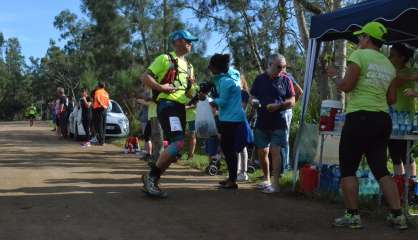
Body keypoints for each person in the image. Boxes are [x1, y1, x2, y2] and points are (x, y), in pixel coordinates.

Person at [327, 22, 407, 230]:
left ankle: (353, 216)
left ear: (367, 39)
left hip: (360, 117)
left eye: (360, 37)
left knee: (348, 167)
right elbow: (391, 98)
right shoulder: (390, 65)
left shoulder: (359, 56)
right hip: (382, 119)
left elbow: (346, 86)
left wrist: (335, 75)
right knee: (381, 168)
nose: (358, 41)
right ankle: (398, 216)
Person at [141, 30, 198, 197]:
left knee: (177, 147)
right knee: (178, 143)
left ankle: (151, 178)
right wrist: (161, 87)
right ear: (178, 41)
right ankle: (151, 178)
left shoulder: (189, 66)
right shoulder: (165, 59)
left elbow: (189, 93)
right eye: (188, 41)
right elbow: (145, 77)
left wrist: (198, 93)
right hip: (167, 105)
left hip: (180, 108)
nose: (191, 44)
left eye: (191, 41)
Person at [250, 54, 295, 194]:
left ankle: (275, 184)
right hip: (262, 121)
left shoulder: (286, 79)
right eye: (279, 66)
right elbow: (252, 96)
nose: (282, 69)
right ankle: (266, 179)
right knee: (262, 152)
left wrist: (279, 106)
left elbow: (292, 101)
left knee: (275, 151)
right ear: (270, 65)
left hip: (279, 121)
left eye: (284, 67)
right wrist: (254, 103)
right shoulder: (259, 79)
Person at [207, 53, 247, 189]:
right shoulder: (234, 74)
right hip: (235, 118)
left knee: (228, 150)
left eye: (211, 67)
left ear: (218, 68)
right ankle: (231, 177)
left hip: (230, 119)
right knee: (228, 149)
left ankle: (232, 180)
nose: (210, 69)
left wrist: (209, 101)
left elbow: (222, 102)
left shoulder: (225, 82)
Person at [387, 43, 417, 181]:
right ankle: (399, 182)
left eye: (392, 55)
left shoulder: (408, 71)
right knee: (394, 151)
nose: (389, 57)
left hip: (404, 118)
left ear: (402, 58)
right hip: (391, 116)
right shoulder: (391, 69)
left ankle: (411, 183)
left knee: (405, 152)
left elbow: (395, 83)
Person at [281, 64, 303, 171]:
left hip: (285, 111)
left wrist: (291, 103)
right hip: (282, 111)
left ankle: (285, 165)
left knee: (284, 138)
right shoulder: (284, 76)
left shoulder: (287, 76)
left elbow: (300, 91)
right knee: (282, 137)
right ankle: (282, 165)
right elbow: (300, 91)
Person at [237, 74, 250, 182]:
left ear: (242, 82)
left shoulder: (244, 93)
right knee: (234, 148)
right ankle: (236, 171)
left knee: (242, 147)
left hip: (240, 122)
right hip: (231, 121)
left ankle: (243, 172)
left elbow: (242, 107)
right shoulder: (232, 93)